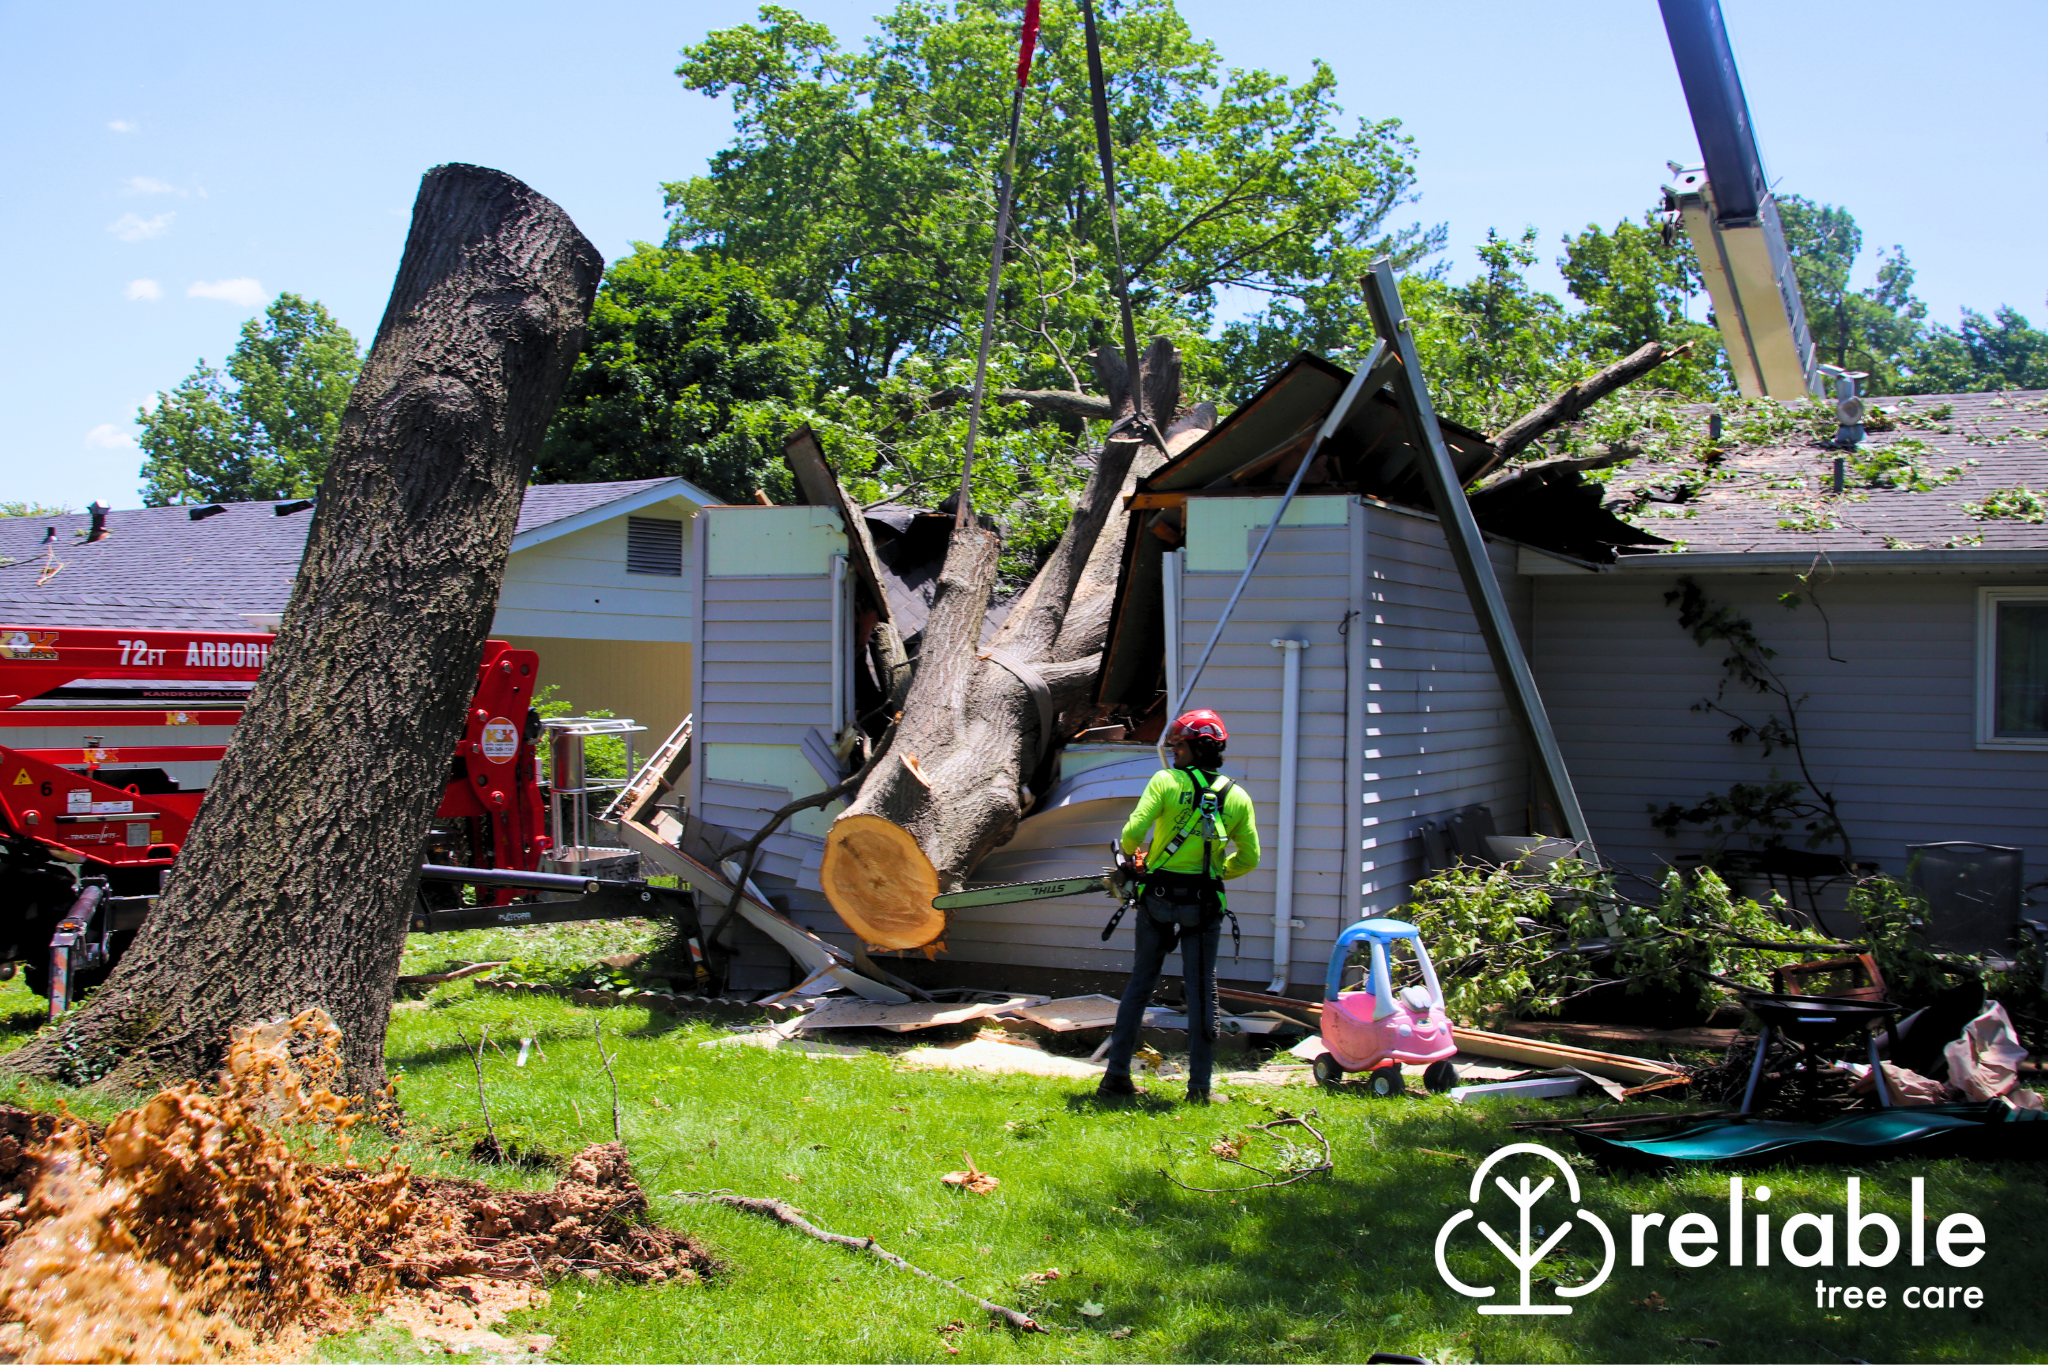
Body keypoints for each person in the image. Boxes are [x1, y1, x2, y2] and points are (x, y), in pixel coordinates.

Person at [1097, 708, 1260, 1105]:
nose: (1173, 751)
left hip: (1157, 899)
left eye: (1178, 745)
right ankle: (1200, 1089)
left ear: (1196, 747)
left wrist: (1133, 859)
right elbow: (1250, 858)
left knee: (1140, 985)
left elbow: (1133, 832)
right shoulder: (1236, 796)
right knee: (1203, 992)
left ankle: (1116, 1077)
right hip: (1204, 904)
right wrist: (1219, 869)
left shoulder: (1166, 782)